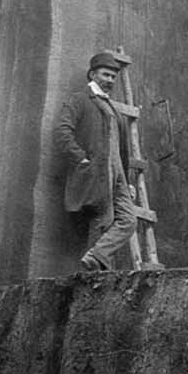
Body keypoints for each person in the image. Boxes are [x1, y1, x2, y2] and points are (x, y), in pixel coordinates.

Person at [53, 50, 138, 271]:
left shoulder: (111, 107)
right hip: (96, 173)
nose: (109, 80)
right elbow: (62, 130)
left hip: (117, 172)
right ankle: (96, 276)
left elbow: (121, 149)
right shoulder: (80, 99)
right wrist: (81, 159)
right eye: (105, 75)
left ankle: (96, 256)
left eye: (112, 76)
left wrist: (127, 180)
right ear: (92, 75)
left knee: (129, 220)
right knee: (103, 220)